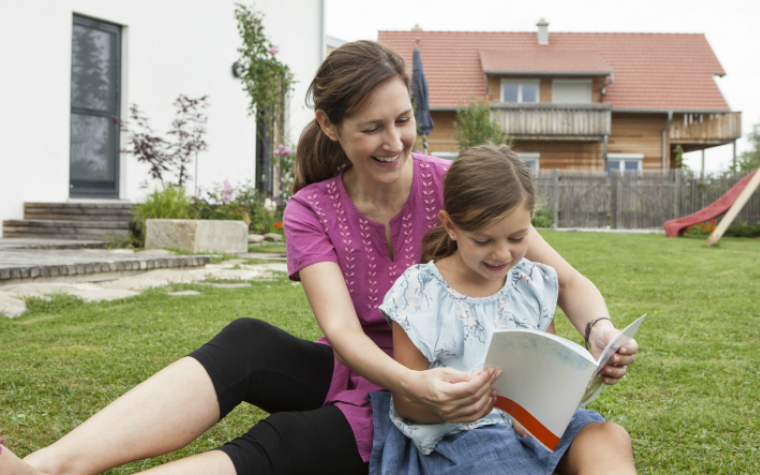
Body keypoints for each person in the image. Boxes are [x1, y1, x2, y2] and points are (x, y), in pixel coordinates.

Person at [0, 41, 637, 475]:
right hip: (383, 374)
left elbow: (561, 276)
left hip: (451, 382)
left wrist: (599, 329)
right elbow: (339, 331)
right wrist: (414, 384)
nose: (395, 143)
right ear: (332, 127)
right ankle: (48, 467)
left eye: (403, 121)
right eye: (371, 129)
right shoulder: (312, 208)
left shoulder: (454, 184)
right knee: (248, 341)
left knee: (281, 447)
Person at [369, 144, 637, 475]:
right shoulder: (420, 293)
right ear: (451, 226)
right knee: (498, 463)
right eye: (483, 241)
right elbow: (407, 402)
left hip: (533, 427)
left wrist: (578, 376)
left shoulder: (531, 282)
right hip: (464, 433)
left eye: (517, 237)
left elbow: (544, 365)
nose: (502, 254)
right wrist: (457, 405)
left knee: (609, 437)